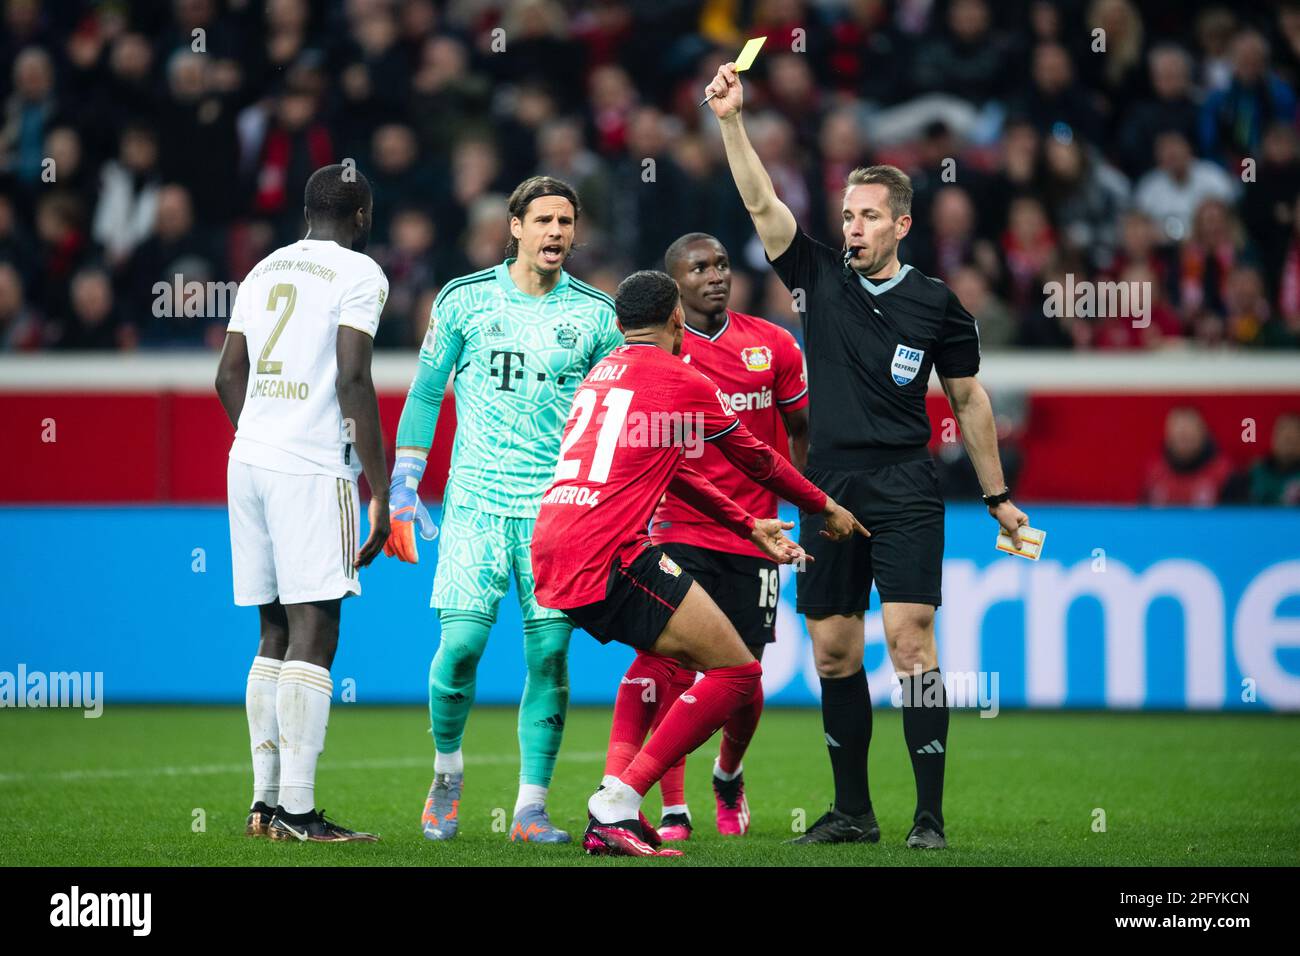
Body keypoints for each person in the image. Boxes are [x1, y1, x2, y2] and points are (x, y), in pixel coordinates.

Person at [705, 60, 1029, 849]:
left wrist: (997, 497)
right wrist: (731, 122)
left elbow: (969, 400)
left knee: (912, 639)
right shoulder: (816, 275)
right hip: (829, 489)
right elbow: (759, 201)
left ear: (901, 226)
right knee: (834, 647)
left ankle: (929, 818)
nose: (852, 226)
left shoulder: (938, 306)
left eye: (868, 216)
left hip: (907, 482)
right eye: (847, 213)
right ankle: (853, 812)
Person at [531, 269, 868, 858]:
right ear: (676, 319)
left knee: (661, 659)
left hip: (555, 544)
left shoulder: (600, 376)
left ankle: (620, 799)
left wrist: (746, 523)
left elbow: (676, 471)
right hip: (611, 551)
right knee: (738, 674)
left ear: (618, 325)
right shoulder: (681, 378)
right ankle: (618, 804)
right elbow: (759, 458)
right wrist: (824, 505)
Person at [384, 176, 623, 845]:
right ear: (514, 226)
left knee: (549, 657)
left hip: (559, 515)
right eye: (543, 220)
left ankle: (531, 807)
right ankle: (447, 775)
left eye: (566, 222)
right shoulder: (464, 301)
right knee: (459, 650)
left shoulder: (597, 316)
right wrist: (405, 481)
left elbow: (611, 419)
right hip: (476, 506)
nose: (556, 233)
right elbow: (428, 391)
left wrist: (612, 505)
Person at [214, 164, 390, 842]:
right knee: (316, 631)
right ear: (363, 215)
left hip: (249, 462)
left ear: (305, 212)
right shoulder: (360, 274)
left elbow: (228, 373)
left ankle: (264, 804)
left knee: (272, 633)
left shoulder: (262, 270)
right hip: (313, 468)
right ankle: (297, 812)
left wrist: (262, 430)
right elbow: (353, 375)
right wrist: (375, 489)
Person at [641, 232, 810, 841]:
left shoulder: (772, 344)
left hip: (754, 535)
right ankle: (673, 809)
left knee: (743, 680)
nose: (716, 275)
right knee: (672, 668)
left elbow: (800, 432)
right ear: (674, 286)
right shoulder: (660, 354)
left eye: (721, 265)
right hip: (677, 528)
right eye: (699, 267)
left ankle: (729, 774)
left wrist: (807, 507)